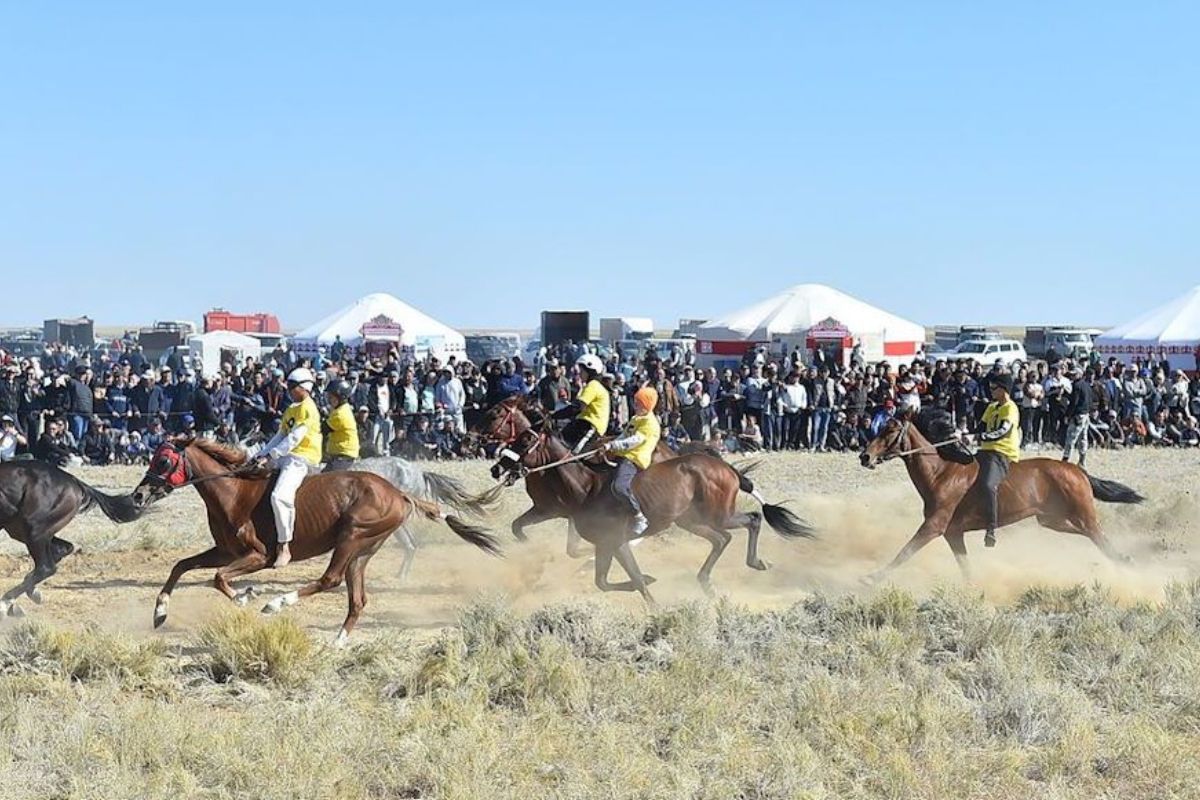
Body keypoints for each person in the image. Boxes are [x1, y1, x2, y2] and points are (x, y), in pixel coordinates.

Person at [252, 368, 323, 568]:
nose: (288, 389)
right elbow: (281, 435)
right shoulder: (292, 408)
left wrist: (271, 455)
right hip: (286, 455)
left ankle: (284, 546)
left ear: (305, 387)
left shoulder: (308, 408)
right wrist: (261, 454)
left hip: (302, 458)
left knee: (279, 496)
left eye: (292, 386)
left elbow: (294, 438)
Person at [964, 372, 1021, 548]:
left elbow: (1002, 432)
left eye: (994, 388)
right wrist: (966, 434)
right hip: (985, 451)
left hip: (1002, 453)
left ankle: (991, 528)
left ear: (1004, 389)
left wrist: (978, 437)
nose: (991, 390)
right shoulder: (992, 407)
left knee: (989, 485)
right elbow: (980, 427)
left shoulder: (1010, 408)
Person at [601, 386, 662, 536]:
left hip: (634, 459)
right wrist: (611, 445)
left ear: (647, 405)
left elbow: (635, 441)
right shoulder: (636, 419)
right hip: (623, 455)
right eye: (635, 402)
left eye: (638, 403)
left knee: (619, 487)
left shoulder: (650, 423)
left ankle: (639, 517)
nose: (635, 406)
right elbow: (624, 435)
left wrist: (613, 445)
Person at [552, 354, 610, 454]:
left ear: (590, 371)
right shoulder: (592, 386)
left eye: (582, 371)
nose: (580, 374)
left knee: (572, 455)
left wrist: (554, 415)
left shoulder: (593, 386)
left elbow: (577, 408)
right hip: (581, 424)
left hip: (590, 426)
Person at [322, 380, 360, 470]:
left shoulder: (340, 414)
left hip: (343, 455)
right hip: (340, 454)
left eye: (331, 396)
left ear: (340, 397)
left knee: (329, 478)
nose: (329, 399)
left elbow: (323, 429)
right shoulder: (341, 409)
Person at [1062, 366, 1093, 468]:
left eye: (1074, 374)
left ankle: (1065, 460)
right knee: (1083, 438)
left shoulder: (1077, 386)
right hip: (1086, 414)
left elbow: (1074, 402)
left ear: (1080, 374)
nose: (1072, 376)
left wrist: (1068, 415)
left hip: (1078, 415)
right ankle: (1082, 460)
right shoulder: (1087, 385)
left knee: (1071, 437)